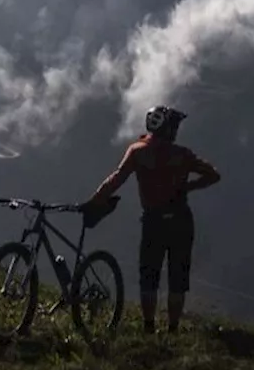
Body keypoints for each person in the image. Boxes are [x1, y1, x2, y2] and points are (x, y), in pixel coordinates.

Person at [84, 104, 221, 334]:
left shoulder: (138, 151)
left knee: (149, 274)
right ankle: (173, 329)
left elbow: (117, 179)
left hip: (153, 221)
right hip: (180, 220)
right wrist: (187, 187)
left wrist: (95, 201)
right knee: (178, 276)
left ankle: (149, 328)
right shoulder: (183, 155)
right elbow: (213, 175)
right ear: (168, 129)